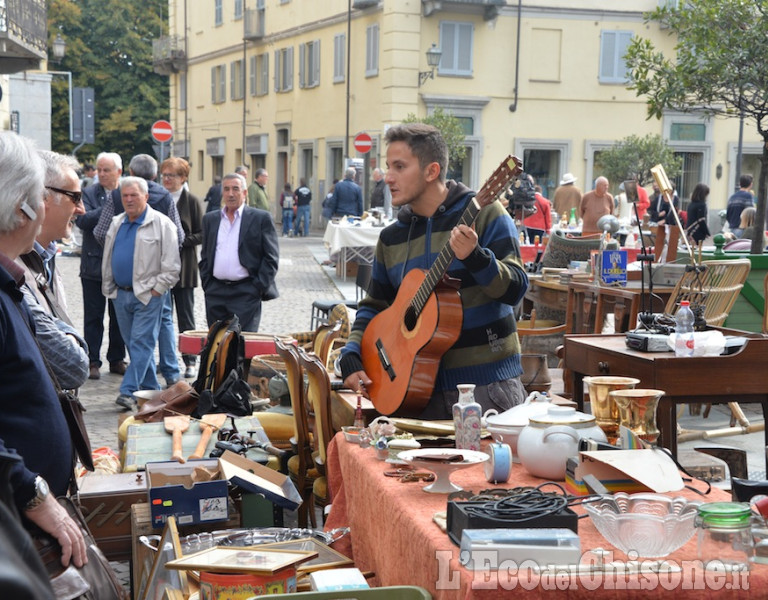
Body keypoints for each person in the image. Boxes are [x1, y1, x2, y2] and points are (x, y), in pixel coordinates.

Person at [339, 123, 529, 419]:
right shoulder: (391, 238)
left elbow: (516, 289)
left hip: (485, 390)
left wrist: (477, 259)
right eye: (389, 166)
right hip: (411, 392)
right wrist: (352, 353)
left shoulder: (485, 213)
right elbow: (374, 306)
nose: (388, 177)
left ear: (431, 171)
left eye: (399, 167)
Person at [0, 131, 87, 569]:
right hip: (16, 525)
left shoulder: (9, 279)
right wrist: (31, 493)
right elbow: (73, 361)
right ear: (23, 207)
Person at [96, 154, 185, 388]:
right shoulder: (117, 222)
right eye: (124, 196)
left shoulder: (163, 222)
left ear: (146, 196)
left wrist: (158, 289)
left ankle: (127, 390)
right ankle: (151, 390)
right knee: (134, 344)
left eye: (133, 195)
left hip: (148, 293)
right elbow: (103, 241)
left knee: (141, 343)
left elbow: (176, 251)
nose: (128, 200)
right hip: (120, 294)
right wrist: (110, 286)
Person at [17, 150, 89, 390]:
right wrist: (70, 338)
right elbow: (72, 364)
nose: (81, 209)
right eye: (75, 197)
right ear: (42, 197)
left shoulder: (47, 255)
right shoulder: (12, 267)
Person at [199, 173, 280, 332]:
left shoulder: (260, 218)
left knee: (241, 346)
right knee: (215, 346)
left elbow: (271, 257)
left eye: (235, 189)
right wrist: (207, 284)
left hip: (246, 292)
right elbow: (205, 255)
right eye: (226, 189)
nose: (230, 194)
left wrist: (258, 287)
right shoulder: (210, 219)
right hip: (215, 292)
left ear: (244, 193)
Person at [75, 151, 126, 380]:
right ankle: (92, 361)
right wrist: (108, 208)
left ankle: (116, 359)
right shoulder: (88, 192)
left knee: (119, 317)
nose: (102, 174)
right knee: (93, 316)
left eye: (107, 170)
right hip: (93, 266)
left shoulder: (127, 192)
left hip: (118, 265)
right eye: (100, 169)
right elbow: (82, 220)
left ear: (119, 172)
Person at [161, 157, 204, 379]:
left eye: (172, 175)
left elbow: (201, 233)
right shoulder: (158, 198)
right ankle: (165, 359)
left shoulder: (192, 201)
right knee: (160, 316)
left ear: (183, 178)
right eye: (165, 175)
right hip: (160, 268)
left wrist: (180, 240)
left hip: (184, 267)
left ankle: (190, 360)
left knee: (186, 317)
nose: (167, 179)